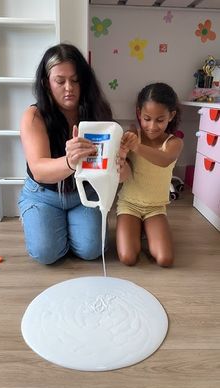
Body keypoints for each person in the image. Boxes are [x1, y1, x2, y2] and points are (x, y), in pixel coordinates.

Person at [18, 43, 113, 265]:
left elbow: (117, 171)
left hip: (83, 194)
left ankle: (64, 224)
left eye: (75, 79)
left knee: (92, 250)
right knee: (46, 253)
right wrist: (69, 162)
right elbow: (39, 170)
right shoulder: (33, 116)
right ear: (46, 83)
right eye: (60, 81)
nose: (69, 87)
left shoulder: (99, 111)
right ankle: (36, 214)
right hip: (44, 194)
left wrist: (121, 158)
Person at [116, 82, 183, 267]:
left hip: (156, 208)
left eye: (160, 120)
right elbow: (123, 170)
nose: (152, 126)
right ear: (139, 113)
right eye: (147, 118)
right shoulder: (132, 134)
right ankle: (139, 228)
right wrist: (121, 155)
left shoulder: (174, 143)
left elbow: (164, 159)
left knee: (165, 260)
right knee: (128, 258)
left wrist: (137, 147)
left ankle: (146, 228)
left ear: (171, 116)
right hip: (129, 204)